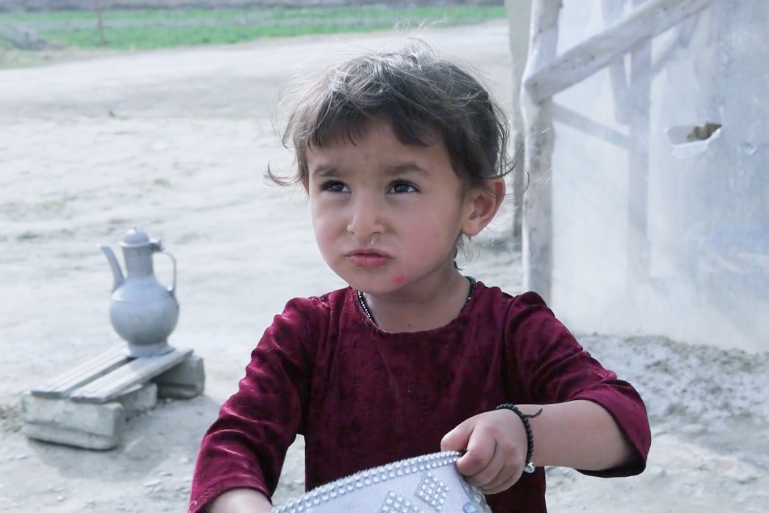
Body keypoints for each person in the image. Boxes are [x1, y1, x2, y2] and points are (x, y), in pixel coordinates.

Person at [189, 40, 651, 513]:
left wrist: (524, 430)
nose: (362, 222)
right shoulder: (306, 336)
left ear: (476, 206)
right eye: (335, 186)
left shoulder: (512, 331)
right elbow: (234, 446)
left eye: (401, 186)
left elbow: (624, 424)